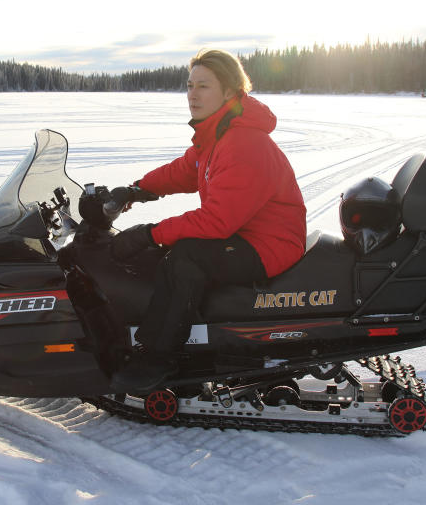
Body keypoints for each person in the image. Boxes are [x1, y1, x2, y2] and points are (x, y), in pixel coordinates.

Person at [108, 49, 307, 393]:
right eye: (189, 85)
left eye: (204, 86)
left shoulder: (244, 141)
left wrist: (150, 233)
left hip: (269, 244)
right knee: (171, 253)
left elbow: (217, 221)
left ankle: (160, 356)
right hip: (247, 234)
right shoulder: (218, 132)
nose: (193, 94)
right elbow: (186, 170)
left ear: (230, 92)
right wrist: (137, 189)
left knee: (186, 258)